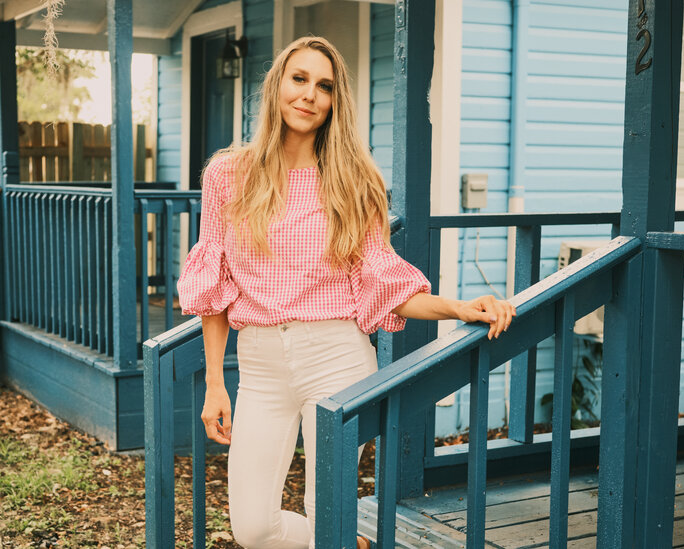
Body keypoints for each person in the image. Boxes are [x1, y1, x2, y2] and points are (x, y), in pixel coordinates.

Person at [177, 36, 516, 549]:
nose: (309, 94)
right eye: (299, 79)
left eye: (325, 86)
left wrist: (457, 306)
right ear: (276, 85)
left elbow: (383, 281)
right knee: (253, 528)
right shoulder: (229, 175)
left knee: (327, 514)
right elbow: (214, 281)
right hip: (260, 366)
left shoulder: (354, 181)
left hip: (336, 360)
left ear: (336, 101)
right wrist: (215, 384)